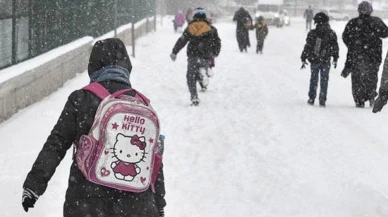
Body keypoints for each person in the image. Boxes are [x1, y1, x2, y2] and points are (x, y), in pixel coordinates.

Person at [21, 38, 166, 217]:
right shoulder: (142, 106)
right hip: (137, 204)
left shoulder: (81, 99)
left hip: (86, 201)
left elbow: (56, 144)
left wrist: (34, 185)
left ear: (94, 66)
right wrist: (158, 202)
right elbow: (155, 158)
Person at [170, 7, 221, 106]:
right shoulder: (211, 29)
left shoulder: (190, 27)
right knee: (201, 68)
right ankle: (203, 74)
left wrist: (174, 52)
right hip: (206, 56)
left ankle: (194, 97)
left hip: (193, 56)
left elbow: (182, 41)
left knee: (190, 76)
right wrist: (215, 53)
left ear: (194, 15)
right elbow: (217, 42)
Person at [342, 1, 388, 108]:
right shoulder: (376, 22)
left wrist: (352, 45)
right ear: (370, 10)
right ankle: (371, 95)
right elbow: (386, 33)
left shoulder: (353, 23)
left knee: (357, 78)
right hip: (374, 56)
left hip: (356, 56)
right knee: (372, 77)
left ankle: (359, 99)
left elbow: (345, 37)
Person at [300, 12, 339, 107]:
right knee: (324, 80)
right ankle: (322, 98)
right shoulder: (331, 33)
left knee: (314, 79)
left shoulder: (313, 33)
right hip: (326, 59)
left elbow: (308, 46)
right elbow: (335, 46)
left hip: (314, 59)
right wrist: (335, 57)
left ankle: (311, 97)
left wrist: (304, 57)